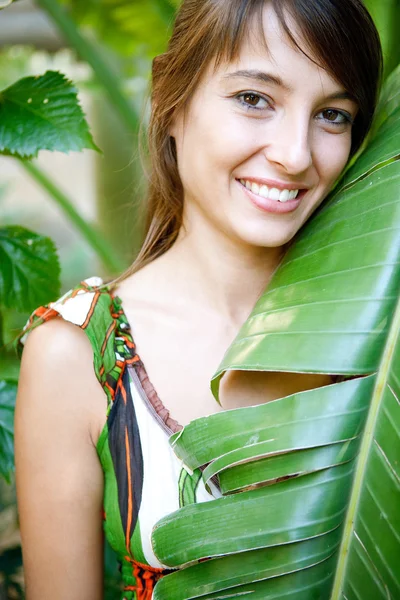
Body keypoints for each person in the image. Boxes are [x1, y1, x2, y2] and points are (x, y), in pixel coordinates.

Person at [15, 0, 382, 598]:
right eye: (254, 99)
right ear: (171, 100)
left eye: (333, 115)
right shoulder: (78, 352)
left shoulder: (381, 329)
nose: (294, 154)